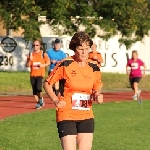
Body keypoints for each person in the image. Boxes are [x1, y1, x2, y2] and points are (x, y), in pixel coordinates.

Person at [43, 31, 103, 150]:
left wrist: (98, 95)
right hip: (67, 114)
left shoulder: (94, 66)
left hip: (86, 115)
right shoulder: (65, 64)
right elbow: (47, 83)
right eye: (81, 48)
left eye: (87, 48)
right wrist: (55, 100)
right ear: (74, 48)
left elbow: (97, 86)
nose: (84, 52)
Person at [26, 39, 50, 109]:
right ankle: (39, 103)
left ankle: (41, 99)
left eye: (37, 45)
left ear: (40, 46)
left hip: (40, 74)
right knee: (34, 92)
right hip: (33, 75)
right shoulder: (30, 54)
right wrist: (29, 59)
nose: (35, 47)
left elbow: (48, 62)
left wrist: (43, 65)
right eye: (34, 45)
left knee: (38, 89)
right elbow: (27, 65)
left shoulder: (43, 54)